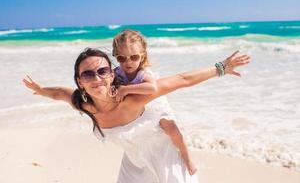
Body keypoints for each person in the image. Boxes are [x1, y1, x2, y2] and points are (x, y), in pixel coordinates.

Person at [23, 47, 250, 183]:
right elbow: (60, 93)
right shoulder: (83, 104)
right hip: (133, 162)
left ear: (112, 75)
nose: (97, 78)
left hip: (165, 154)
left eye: (102, 71)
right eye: (88, 74)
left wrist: (221, 67)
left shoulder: (134, 99)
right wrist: (41, 90)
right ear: (80, 82)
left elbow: (182, 80)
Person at [112, 29, 197, 175]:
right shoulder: (117, 73)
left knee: (171, 129)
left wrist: (125, 89)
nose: (128, 62)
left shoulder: (144, 73)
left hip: (154, 102)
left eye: (134, 57)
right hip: (137, 107)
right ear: (116, 56)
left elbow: (152, 87)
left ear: (142, 55)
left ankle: (187, 156)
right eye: (121, 58)